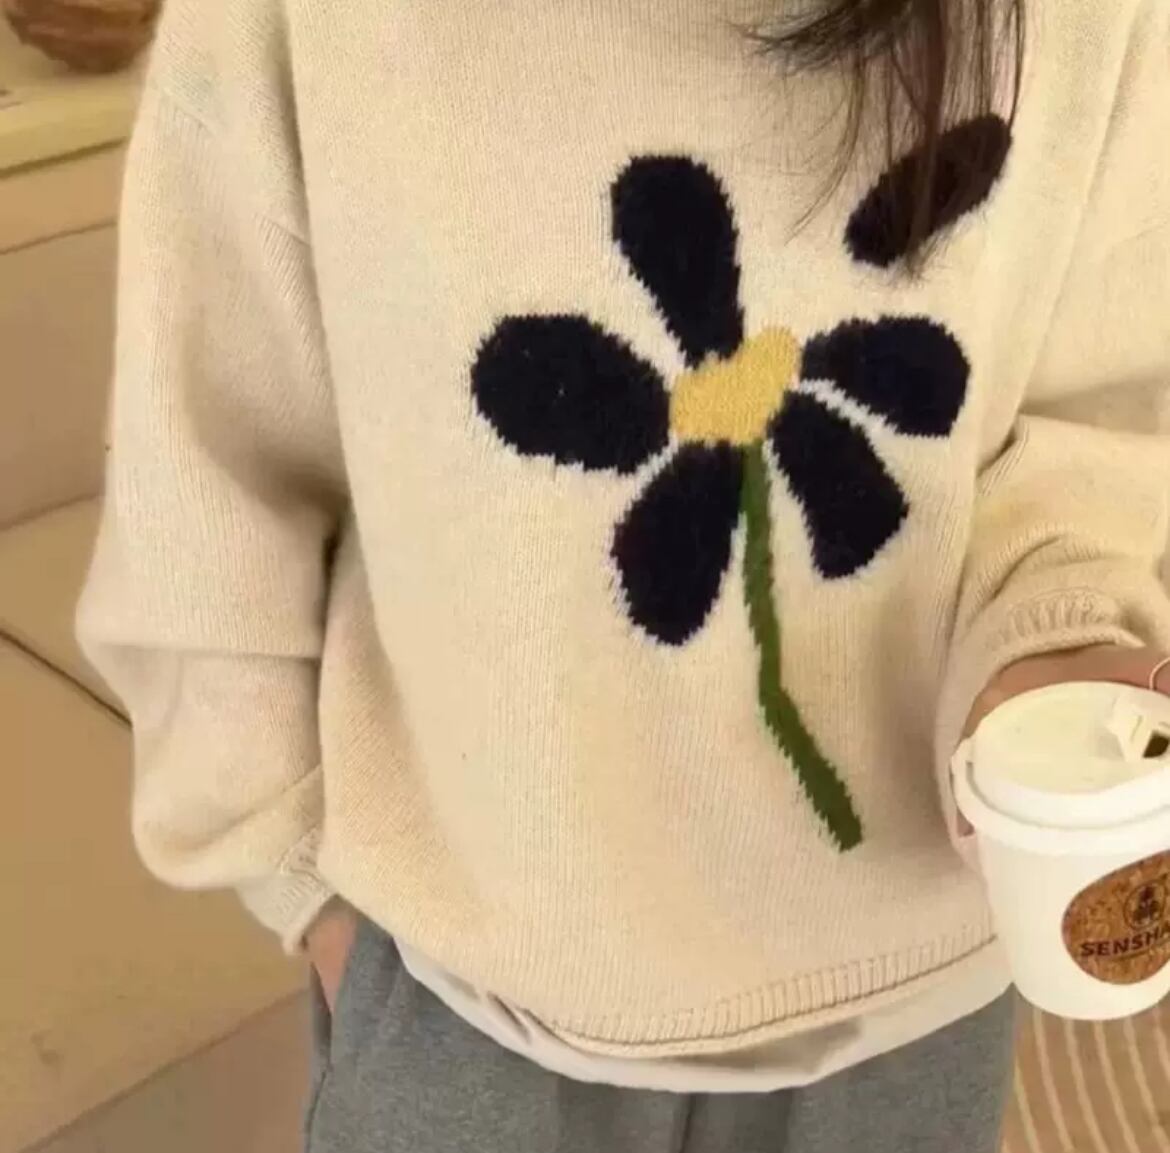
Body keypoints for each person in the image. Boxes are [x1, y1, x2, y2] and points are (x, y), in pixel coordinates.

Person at [77, 1, 1170, 1150]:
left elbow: (1098, 420)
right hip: (466, 1005)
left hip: (920, 1008)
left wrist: (1056, 637)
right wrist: (298, 879)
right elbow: (202, 475)